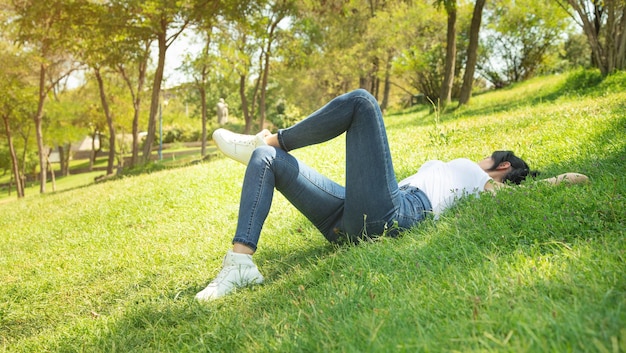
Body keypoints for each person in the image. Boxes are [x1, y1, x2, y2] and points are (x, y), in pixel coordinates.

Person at [195, 89, 588, 301]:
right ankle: (240, 263)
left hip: (396, 215)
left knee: (362, 103)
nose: (486, 155)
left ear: (502, 167)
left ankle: (276, 139)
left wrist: (555, 180)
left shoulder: (487, 183)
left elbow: (518, 197)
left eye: (493, 155)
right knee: (264, 160)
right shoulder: (467, 173)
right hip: (356, 217)